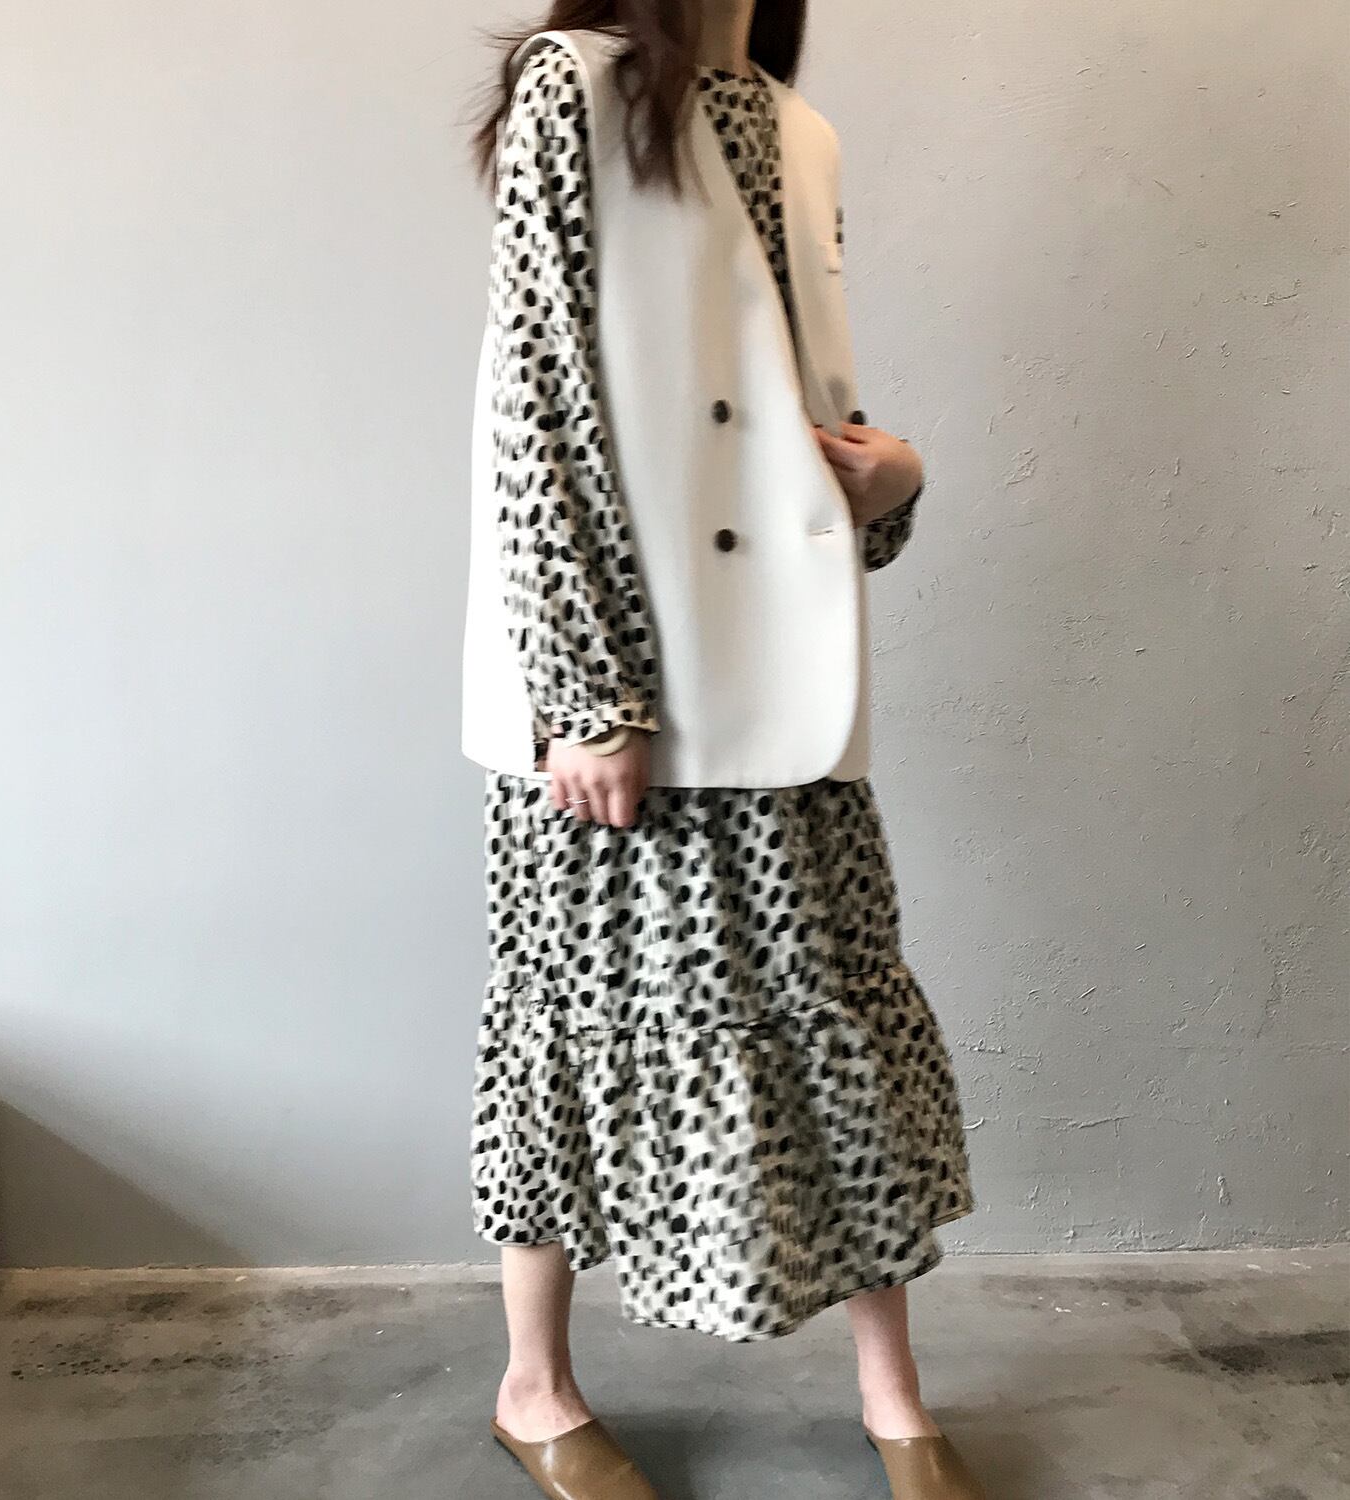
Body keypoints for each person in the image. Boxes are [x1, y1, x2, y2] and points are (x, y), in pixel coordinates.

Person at [461, 7, 983, 1499]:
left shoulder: (798, 128)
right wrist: (586, 697)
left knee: (838, 1019)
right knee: (572, 1024)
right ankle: (533, 1385)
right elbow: (539, 408)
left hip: (784, 676)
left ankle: (895, 1399)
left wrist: (892, 481)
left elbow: (795, 427)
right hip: (622, 686)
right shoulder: (577, 88)